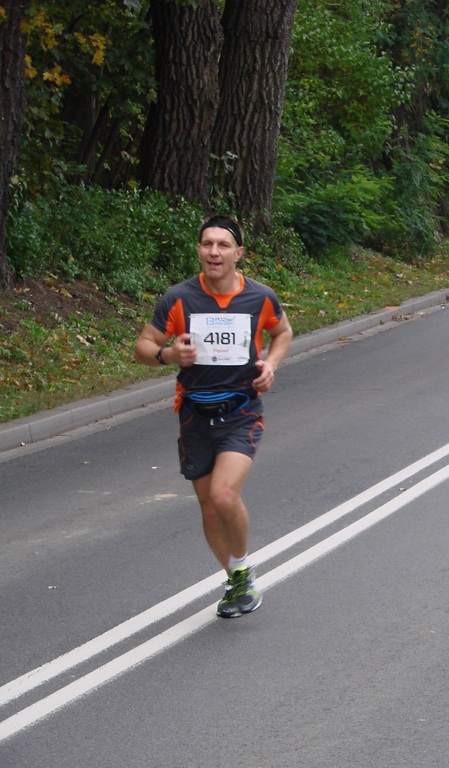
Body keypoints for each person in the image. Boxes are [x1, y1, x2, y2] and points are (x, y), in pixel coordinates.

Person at [134, 215, 293, 618]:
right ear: (199, 250)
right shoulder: (179, 298)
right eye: (207, 244)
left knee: (224, 495)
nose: (214, 252)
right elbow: (143, 346)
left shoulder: (259, 297)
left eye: (223, 245)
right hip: (194, 416)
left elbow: (282, 332)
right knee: (208, 507)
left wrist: (271, 364)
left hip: (241, 411)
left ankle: (242, 572)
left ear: (239, 253)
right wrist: (168, 354)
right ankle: (237, 578)